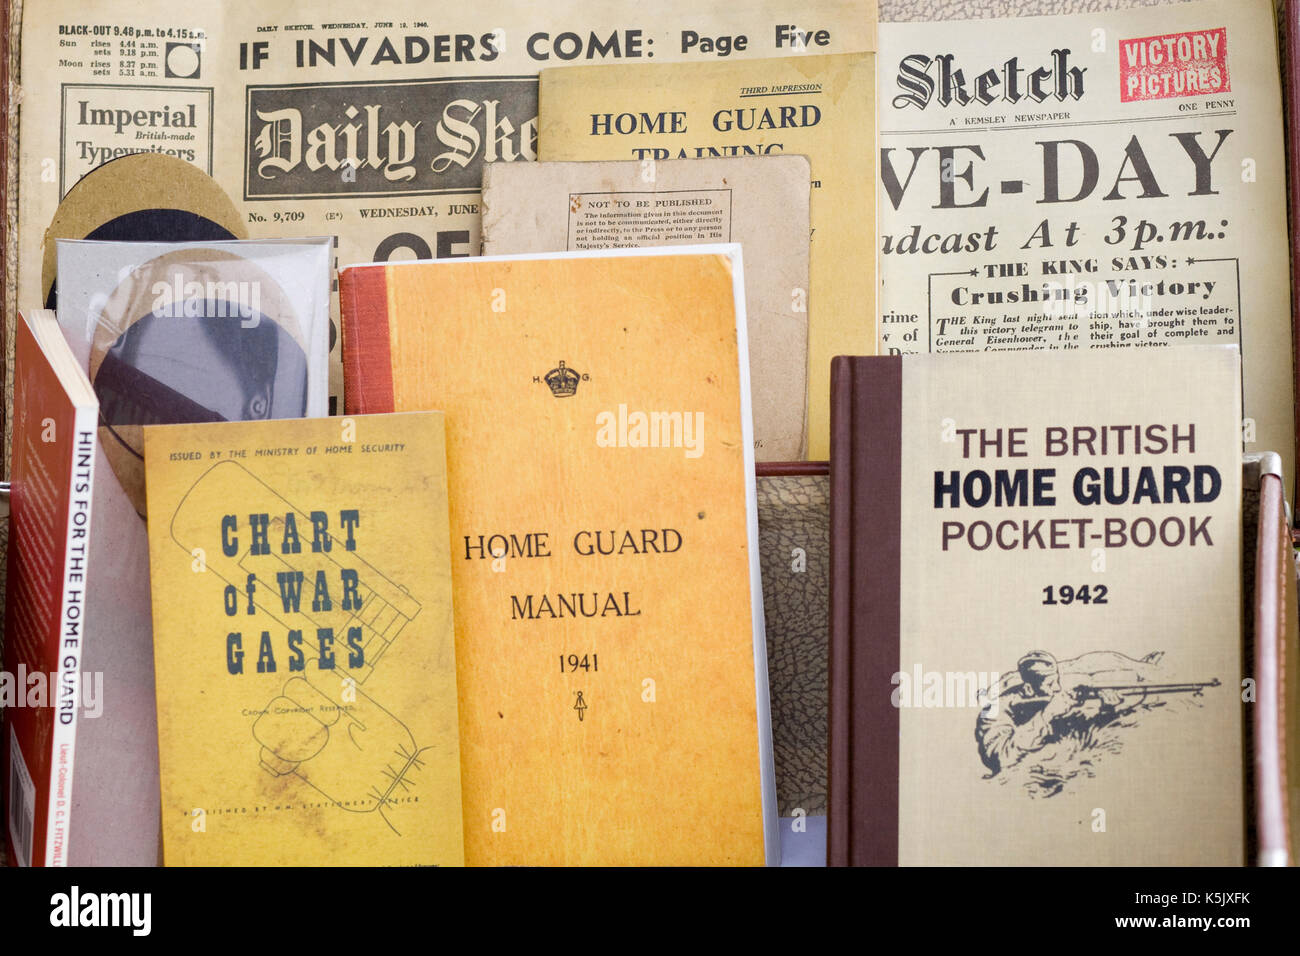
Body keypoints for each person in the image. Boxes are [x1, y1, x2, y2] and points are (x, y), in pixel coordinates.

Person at [975, 649, 1163, 774]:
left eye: (1057, 681)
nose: (1057, 688)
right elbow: (1000, 757)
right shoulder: (995, 710)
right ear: (1029, 689)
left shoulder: (1050, 697)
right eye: (1050, 684)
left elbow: (1079, 727)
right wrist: (1047, 714)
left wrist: (1108, 708)